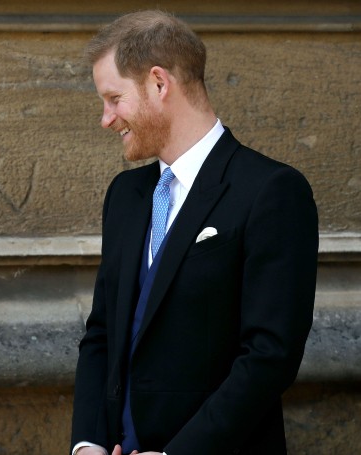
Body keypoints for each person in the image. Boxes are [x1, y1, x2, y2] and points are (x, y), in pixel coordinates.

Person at [70, 10, 318, 455]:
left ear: (159, 84)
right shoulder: (125, 195)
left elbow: (269, 357)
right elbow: (102, 333)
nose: (106, 119)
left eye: (114, 98)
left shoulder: (271, 191)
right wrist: (88, 443)